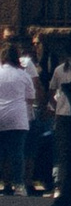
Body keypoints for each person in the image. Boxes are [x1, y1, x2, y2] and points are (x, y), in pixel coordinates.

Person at [0, 41, 33, 194]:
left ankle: (4, 181)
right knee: (17, 152)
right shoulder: (24, 75)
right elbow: (30, 98)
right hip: (18, 117)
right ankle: (19, 184)